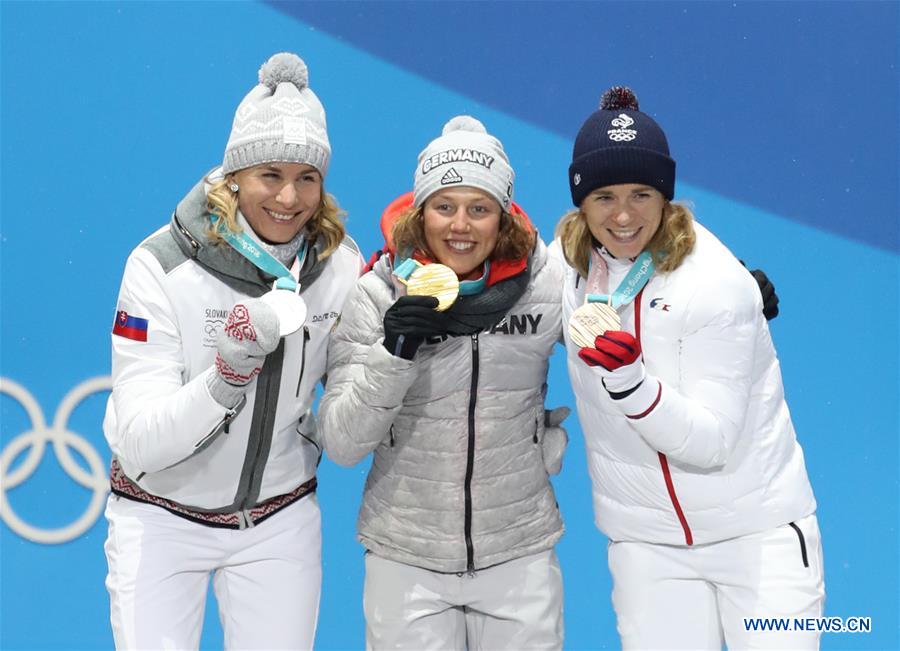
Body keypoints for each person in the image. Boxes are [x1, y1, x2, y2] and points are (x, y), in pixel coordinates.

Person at [102, 52, 362, 650]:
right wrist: (226, 376)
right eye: (270, 174)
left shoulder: (341, 267)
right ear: (234, 176)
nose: (289, 198)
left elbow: (347, 417)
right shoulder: (160, 266)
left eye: (307, 178)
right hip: (160, 514)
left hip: (279, 520)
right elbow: (140, 439)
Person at [556, 86, 824, 649]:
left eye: (641, 194)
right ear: (580, 202)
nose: (624, 215)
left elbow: (711, 444)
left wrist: (632, 384)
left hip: (759, 540)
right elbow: (494, 272)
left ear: (667, 197)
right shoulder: (563, 267)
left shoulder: (717, 285)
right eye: (604, 196)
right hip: (647, 548)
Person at [319, 116, 569, 650]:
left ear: (503, 219)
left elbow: (626, 303)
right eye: (445, 206)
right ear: (421, 212)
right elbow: (341, 443)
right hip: (406, 558)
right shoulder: (378, 294)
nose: (461, 225)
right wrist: (396, 351)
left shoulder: (547, 284)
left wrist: (721, 289)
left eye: (479, 209)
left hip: (518, 552)